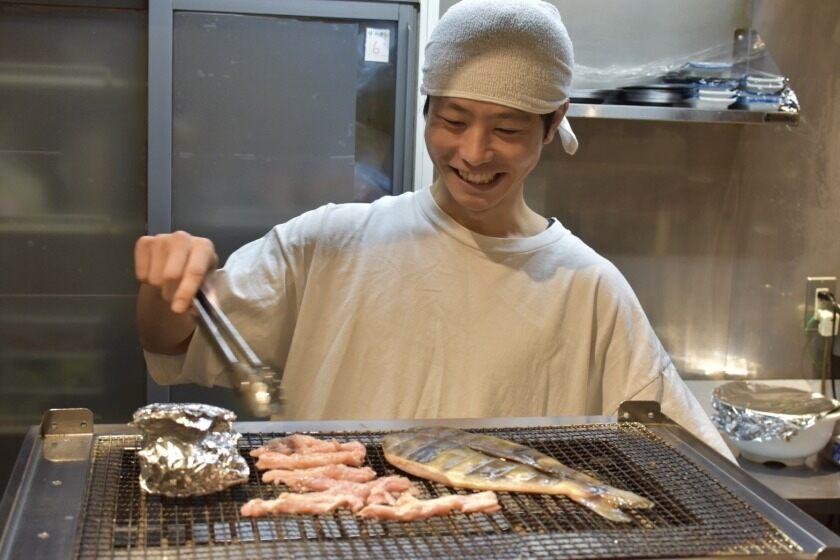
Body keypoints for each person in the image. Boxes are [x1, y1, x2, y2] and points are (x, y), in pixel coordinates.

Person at [136, 0, 734, 461]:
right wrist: (167, 287)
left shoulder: (589, 289)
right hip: (322, 531)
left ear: (553, 124)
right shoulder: (327, 243)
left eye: (507, 129)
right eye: (453, 120)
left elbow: (689, 457)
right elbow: (172, 345)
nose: (473, 152)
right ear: (427, 110)